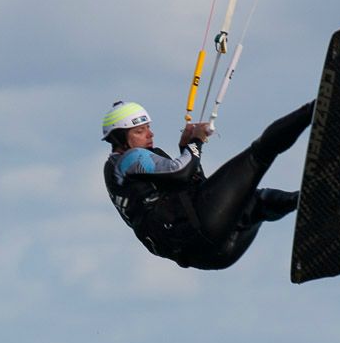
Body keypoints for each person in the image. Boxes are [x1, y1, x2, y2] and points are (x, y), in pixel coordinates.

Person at [102, 100, 314, 269]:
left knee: (256, 202)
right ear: (121, 139)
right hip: (197, 230)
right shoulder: (129, 159)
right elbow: (181, 172)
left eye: (148, 127)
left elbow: (193, 186)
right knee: (258, 155)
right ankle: (314, 109)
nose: (150, 134)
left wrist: (185, 147)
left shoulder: (128, 173)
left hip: (208, 255)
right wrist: (196, 142)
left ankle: (309, 199)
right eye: (139, 131)